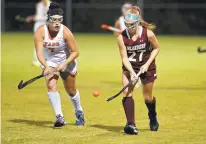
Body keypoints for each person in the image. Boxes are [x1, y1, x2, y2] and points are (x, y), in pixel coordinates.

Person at [34, 1, 85, 127]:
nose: (57, 23)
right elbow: (39, 53)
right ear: (48, 20)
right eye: (54, 20)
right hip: (50, 61)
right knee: (51, 85)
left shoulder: (65, 32)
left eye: (59, 20)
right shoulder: (40, 32)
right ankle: (59, 117)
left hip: (67, 61)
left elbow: (75, 52)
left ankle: (79, 111)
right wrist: (46, 66)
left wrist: (64, 64)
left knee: (71, 90)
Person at [117, 6, 160, 135]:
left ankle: (152, 116)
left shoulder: (148, 33)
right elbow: (124, 58)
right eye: (126, 24)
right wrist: (132, 72)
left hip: (147, 67)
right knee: (126, 93)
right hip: (130, 67)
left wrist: (147, 64)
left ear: (137, 23)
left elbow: (156, 48)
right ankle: (131, 124)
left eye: (132, 25)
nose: (129, 27)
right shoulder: (121, 37)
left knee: (147, 97)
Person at [26, 0, 51, 67]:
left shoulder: (50, 5)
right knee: (37, 43)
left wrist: (35, 18)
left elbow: (49, 17)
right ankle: (37, 60)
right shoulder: (39, 4)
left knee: (47, 43)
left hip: (46, 26)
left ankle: (48, 59)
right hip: (38, 25)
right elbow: (37, 15)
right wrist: (31, 18)